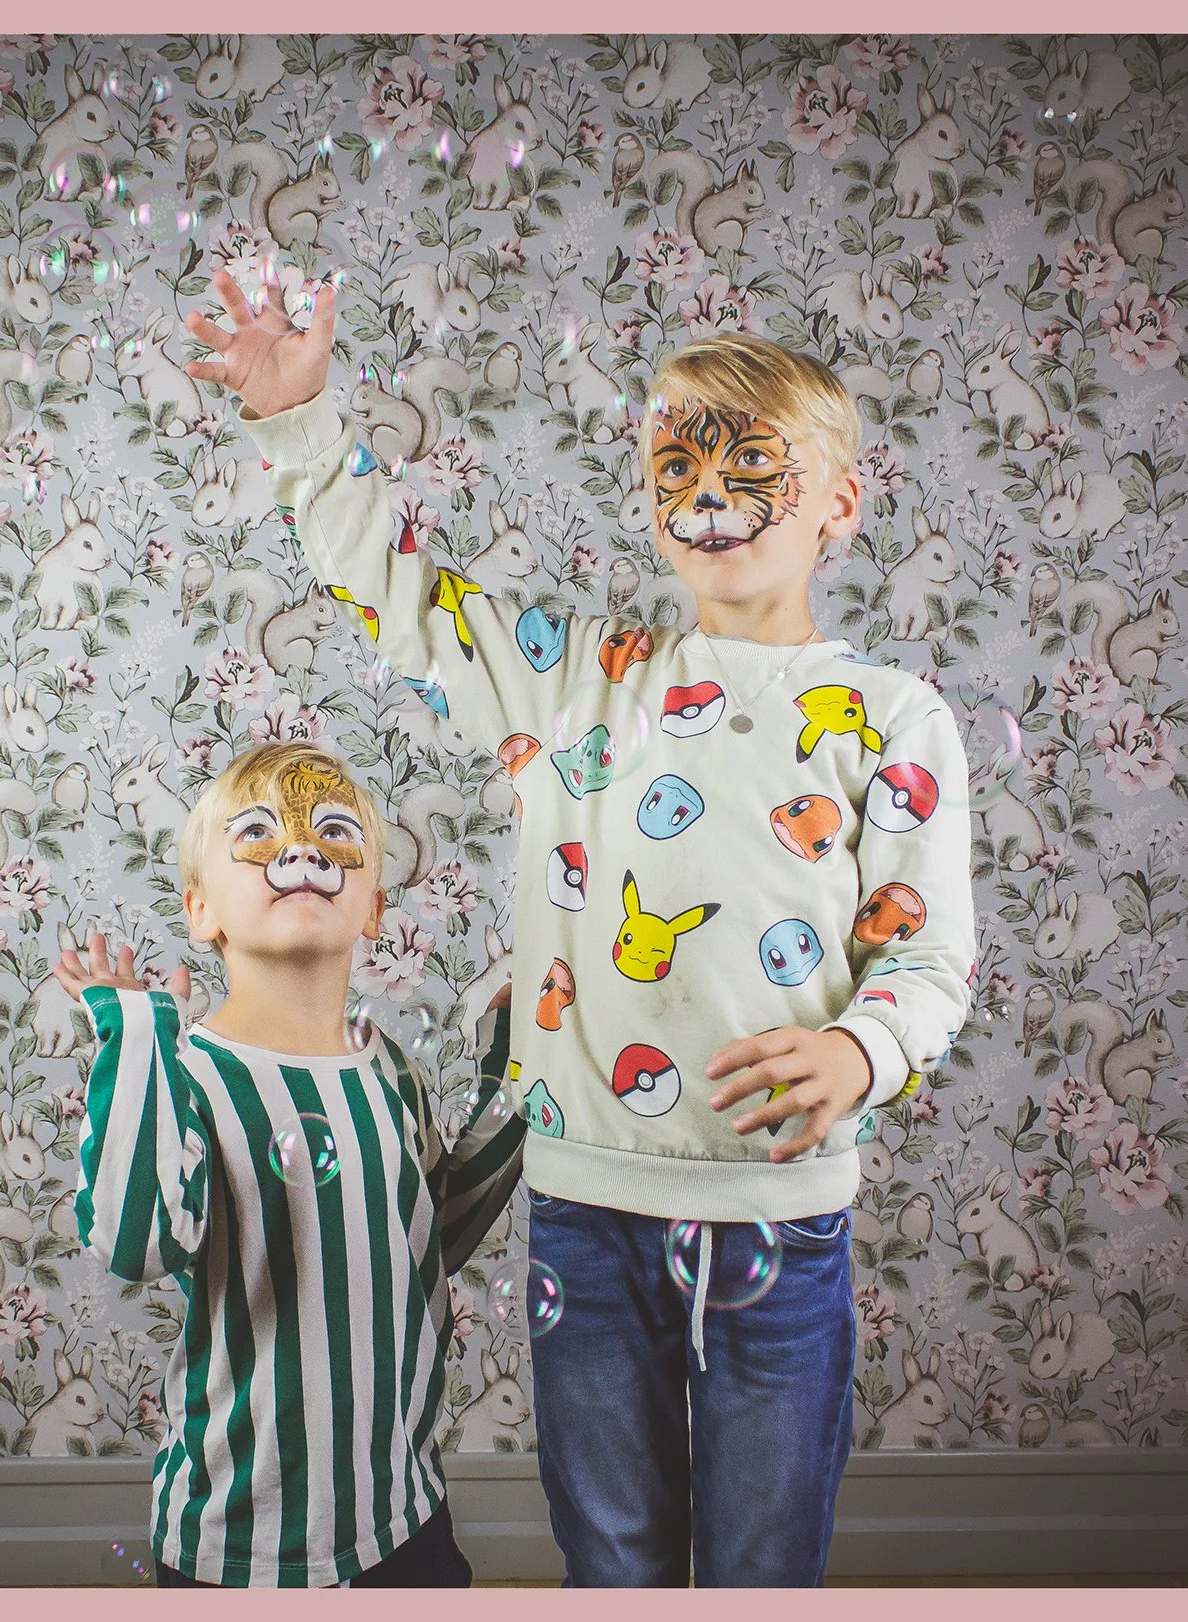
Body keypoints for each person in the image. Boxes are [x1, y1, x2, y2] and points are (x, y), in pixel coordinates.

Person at [188, 265, 977, 1587]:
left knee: (763, 1564)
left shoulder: (895, 718)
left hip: (780, 1224)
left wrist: (859, 1053)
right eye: (679, 464)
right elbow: (395, 591)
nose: (709, 495)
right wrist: (302, 422)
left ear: (838, 503)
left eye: (751, 465)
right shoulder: (574, 683)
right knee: (611, 1557)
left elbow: (929, 959)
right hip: (586, 1211)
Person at [57, 739, 525, 1587]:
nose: (302, 852)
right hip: (239, 1540)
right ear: (203, 912)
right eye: (261, 836)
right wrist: (134, 1036)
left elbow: (431, 1235)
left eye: (334, 833)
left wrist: (516, 1062)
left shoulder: (387, 1069)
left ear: (373, 908)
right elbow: (135, 1241)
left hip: (402, 1515)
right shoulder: (187, 1072)